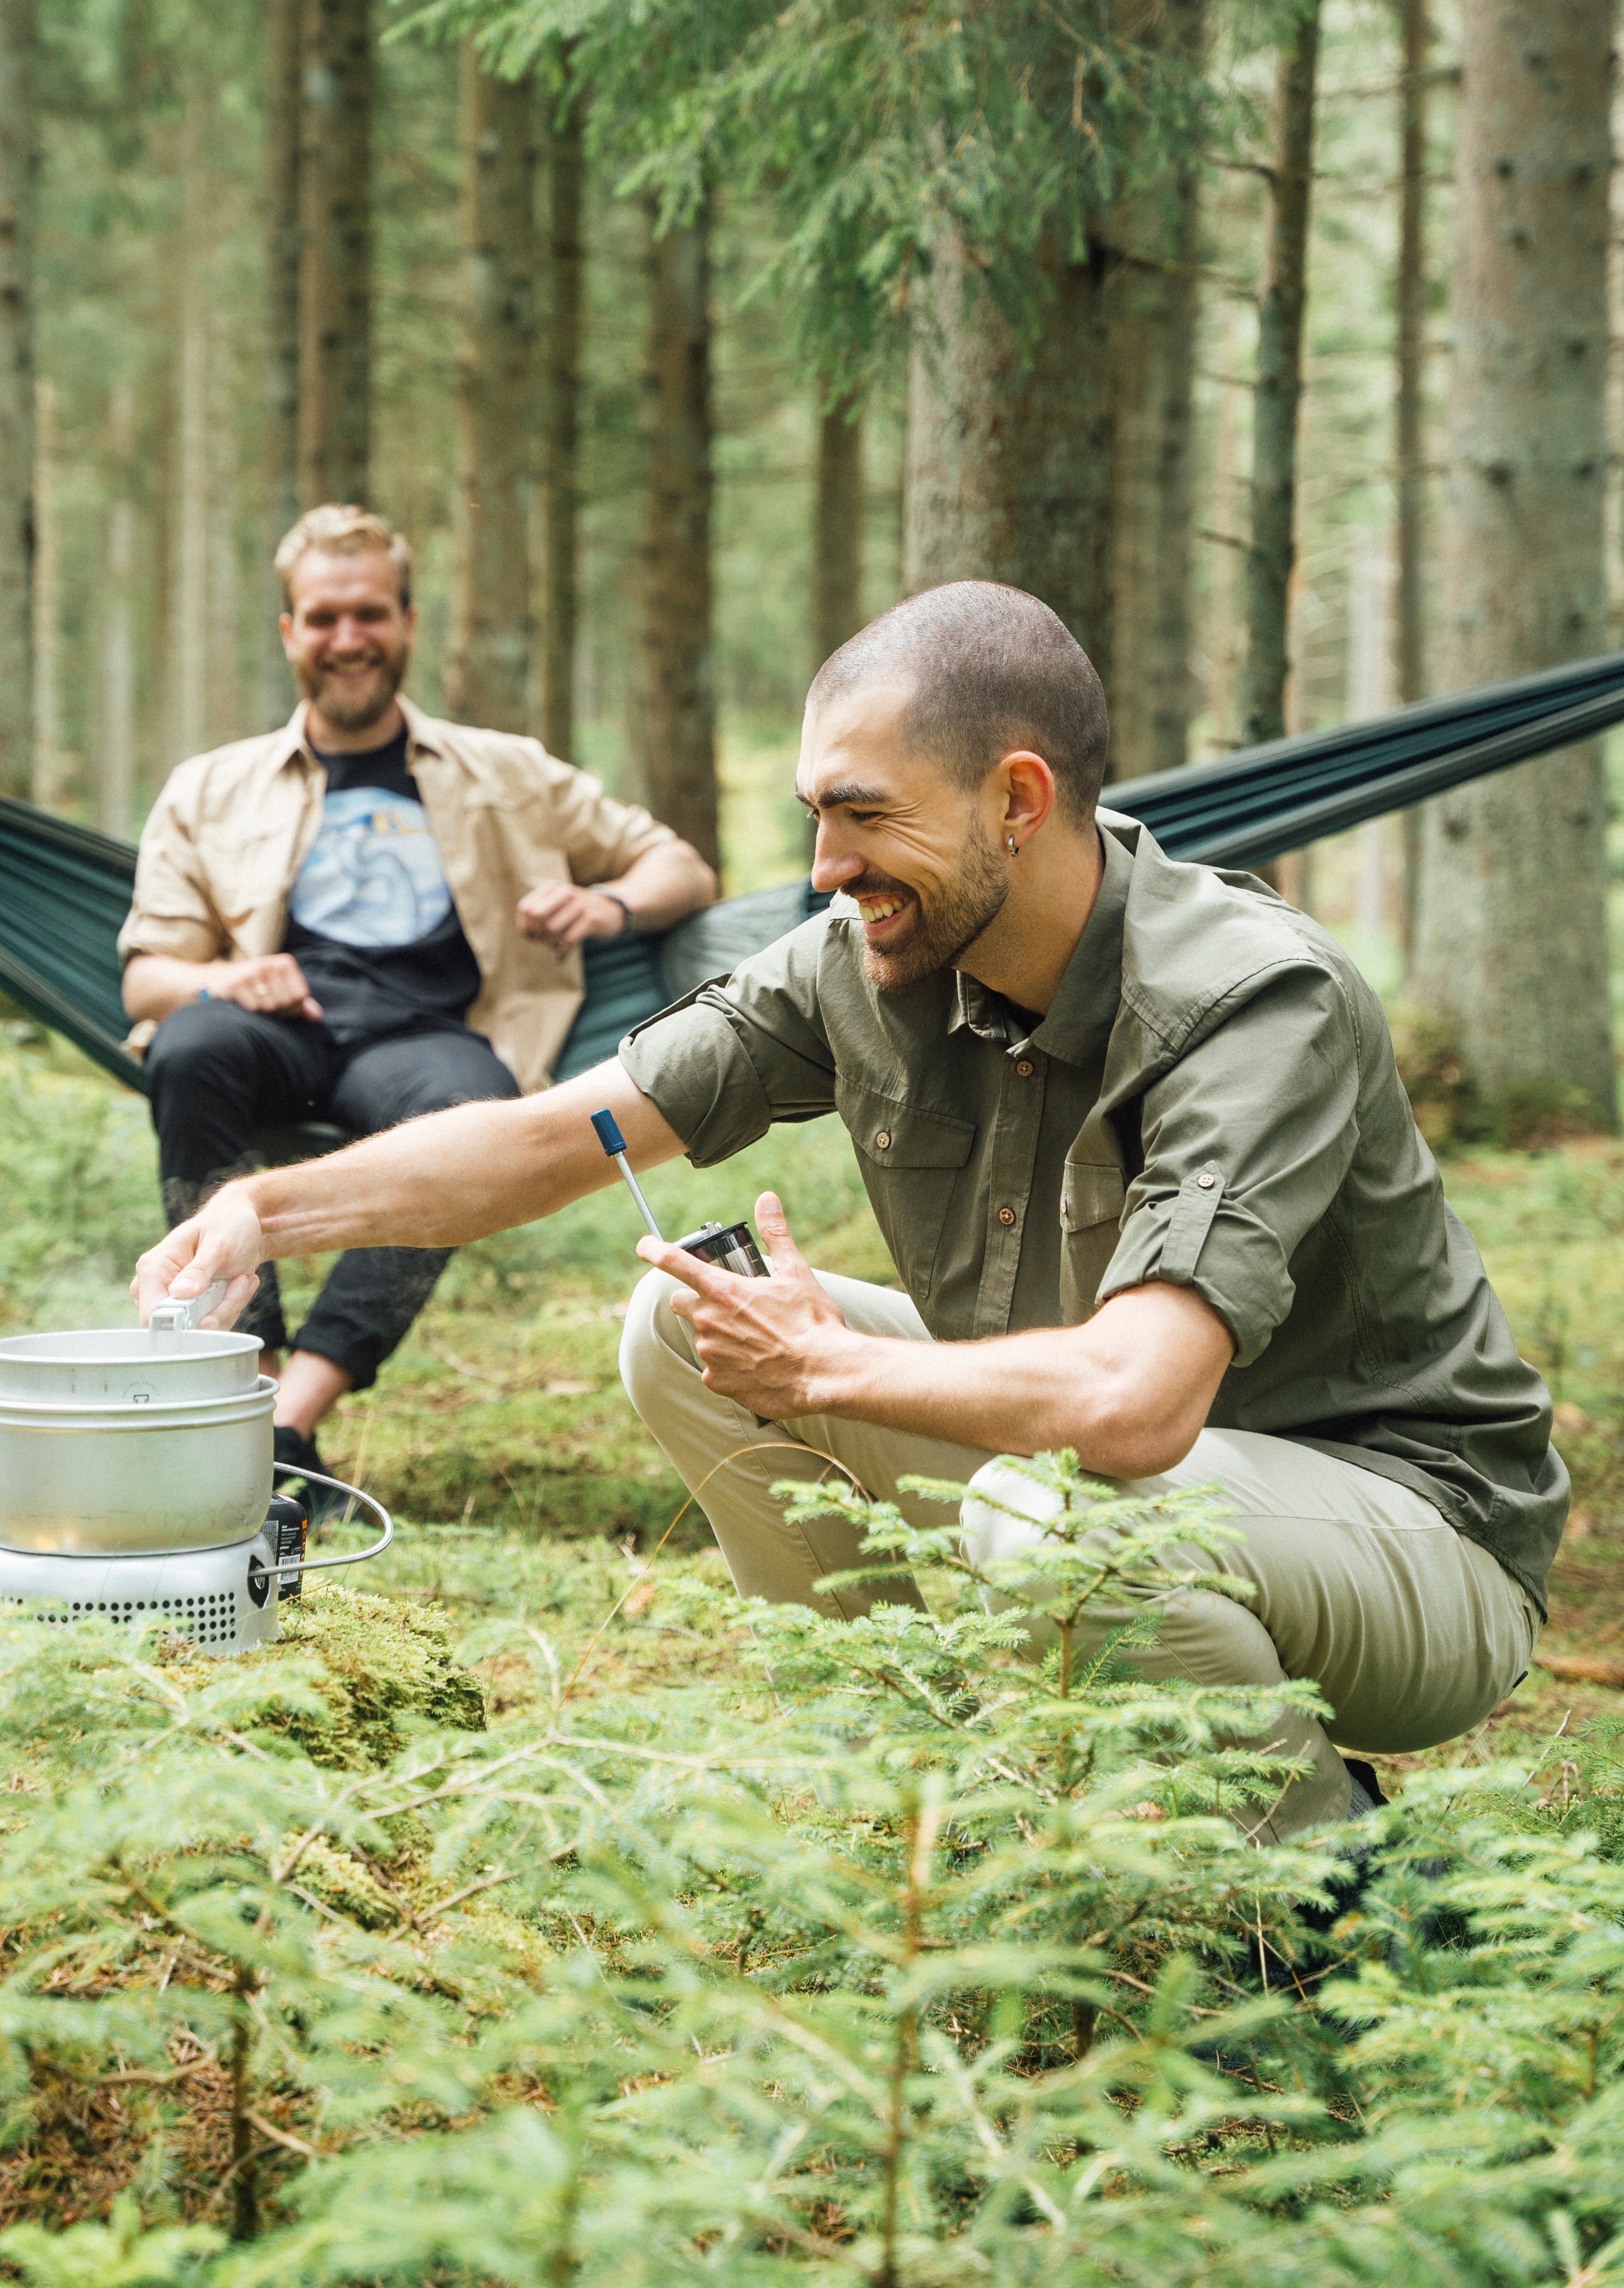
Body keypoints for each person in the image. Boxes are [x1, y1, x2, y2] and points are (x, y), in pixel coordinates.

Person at [131, 580, 1562, 1839]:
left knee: (1049, 1518)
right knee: (682, 1327)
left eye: (867, 818)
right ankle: (933, 1799)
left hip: (1411, 1540)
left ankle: (1329, 1889)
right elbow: (553, 1136)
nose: (824, 870)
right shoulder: (864, 958)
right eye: (818, 816)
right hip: (1112, 1487)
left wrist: (827, 1362)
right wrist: (267, 1210)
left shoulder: (1249, 998)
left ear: (1017, 799)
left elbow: (1137, 1404)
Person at [119, 502, 718, 1485]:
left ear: (404, 622)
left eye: (369, 614)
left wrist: (604, 905)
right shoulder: (210, 788)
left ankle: (291, 1427)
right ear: (288, 633)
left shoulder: (505, 771)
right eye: (321, 618)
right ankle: (243, 1387)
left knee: (465, 1116)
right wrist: (227, 977)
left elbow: (677, 868)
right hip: (278, 1026)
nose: (346, 639)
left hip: (429, 1036)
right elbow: (147, 976)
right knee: (189, 1046)